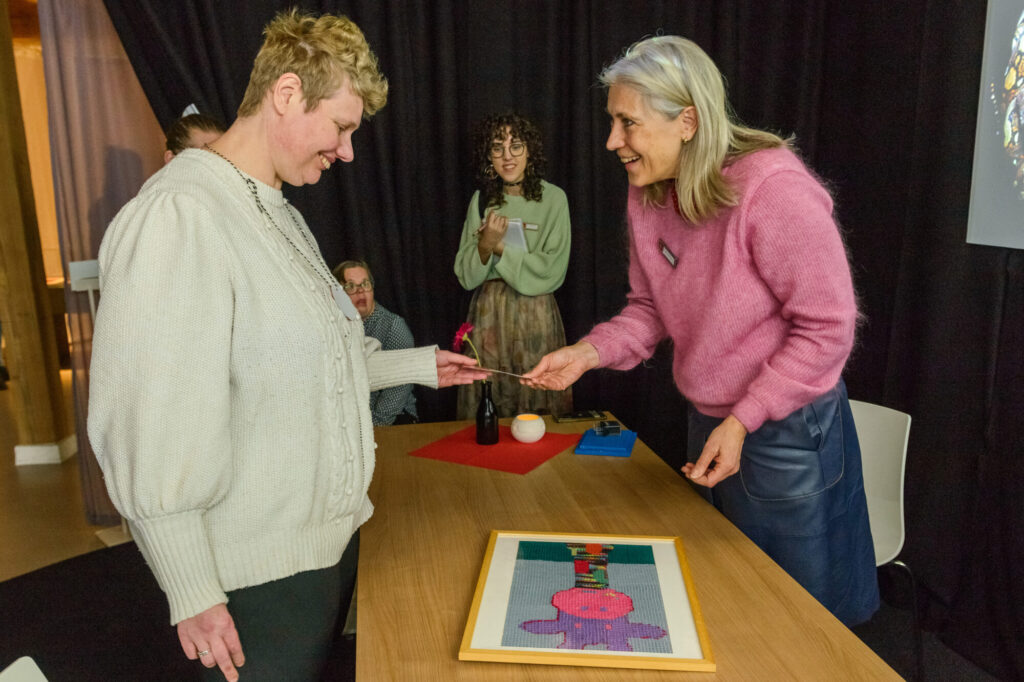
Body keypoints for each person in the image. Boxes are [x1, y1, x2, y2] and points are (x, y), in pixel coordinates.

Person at [88, 10, 486, 682]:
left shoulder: (280, 212)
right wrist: (192, 589)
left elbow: (319, 362)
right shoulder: (181, 214)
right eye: (342, 127)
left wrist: (420, 365)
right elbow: (151, 422)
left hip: (320, 558)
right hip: (250, 581)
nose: (347, 150)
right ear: (287, 94)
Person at [523, 36, 879, 627]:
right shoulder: (647, 195)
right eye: (612, 122)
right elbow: (648, 311)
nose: (613, 142)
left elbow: (827, 330)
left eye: (627, 123)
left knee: (797, 617)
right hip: (713, 424)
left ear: (686, 120)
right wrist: (587, 354)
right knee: (728, 599)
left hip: (785, 429)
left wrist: (744, 419)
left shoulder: (773, 189)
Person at [453, 112, 573, 419]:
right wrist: (483, 244)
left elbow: (552, 269)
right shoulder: (481, 201)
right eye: (497, 148)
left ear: (529, 151)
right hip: (489, 315)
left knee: (537, 392)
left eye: (516, 146)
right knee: (488, 393)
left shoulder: (554, 199)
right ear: (488, 156)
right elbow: (465, 275)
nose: (507, 157)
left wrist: (499, 245)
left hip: (537, 314)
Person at [332, 259, 418, 425]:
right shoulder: (334, 328)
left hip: (392, 422)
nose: (360, 291)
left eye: (365, 284)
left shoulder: (393, 327)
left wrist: (368, 431)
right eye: (350, 286)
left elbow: (396, 391)